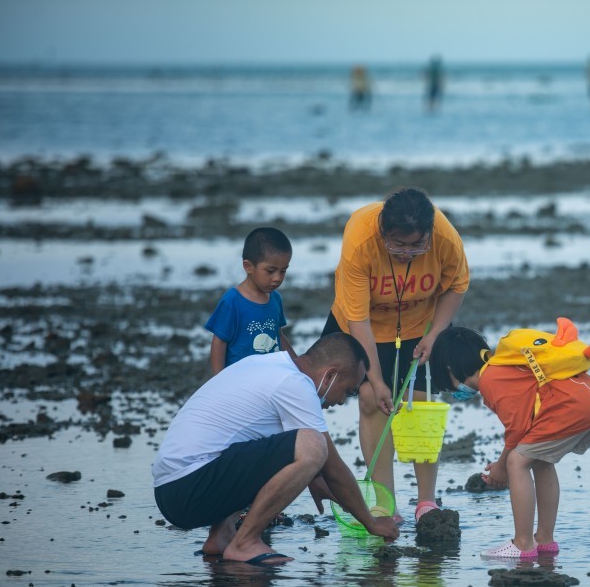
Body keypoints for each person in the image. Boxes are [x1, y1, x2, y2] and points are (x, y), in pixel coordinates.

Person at [152, 333, 399, 564]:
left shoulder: (269, 365)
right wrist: (371, 522)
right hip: (187, 488)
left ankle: (221, 535)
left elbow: (270, 453)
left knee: (282, 440)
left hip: (173, 489)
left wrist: (314, 479)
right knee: (314, 444)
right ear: (330, 374)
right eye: (347, 391)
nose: (342, 401)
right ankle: (245, 542)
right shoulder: (295, 384)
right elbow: (331, 466)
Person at [321, 186, 469, 524]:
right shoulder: (359, 239)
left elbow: (456, 286)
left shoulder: (445, 238)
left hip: (420, 322)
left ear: (429, 234)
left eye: (417, 245)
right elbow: (358, 319)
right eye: (398, 245)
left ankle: (426, 503)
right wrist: (374, 376)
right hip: (366, 324)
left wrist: (436, 333)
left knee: (421, 402)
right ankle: (385, 504)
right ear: (382, 233)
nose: (407, 253)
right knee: (374, 399)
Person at [430, 326, 590, 558]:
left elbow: (517, 428)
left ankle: (522, 544)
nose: (453, 391)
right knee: (540, 461)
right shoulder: (504, 366)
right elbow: (527, 426)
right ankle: (545, 540)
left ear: (449, 369)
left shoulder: (490, 378)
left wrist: (501, 466)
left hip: (571, 406)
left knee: (517, 462)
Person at [206, 227, 296, 376]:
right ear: (248, 266)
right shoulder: (232, 300)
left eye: (283, 271)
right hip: (239, 378)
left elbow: (278, 336)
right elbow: (219, 342)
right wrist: (218, 380)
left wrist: (298, 365)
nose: (277, 278)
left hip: (269, 376)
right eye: (270, 271)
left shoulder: (275, 299)